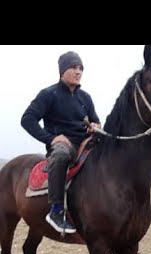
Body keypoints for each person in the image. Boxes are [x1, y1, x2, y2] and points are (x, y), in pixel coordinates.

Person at [21, 51, 101, 234]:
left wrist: (95, 126)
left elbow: (95, 120)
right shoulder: (49, 94)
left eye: (81, 68)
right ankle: (56, 210)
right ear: (62, 70)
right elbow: (27, 119)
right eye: (73, 67)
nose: (78, 71)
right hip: (65, 144)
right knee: (61, 155)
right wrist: (50, 138)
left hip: (86, 142)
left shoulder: (85, 97)